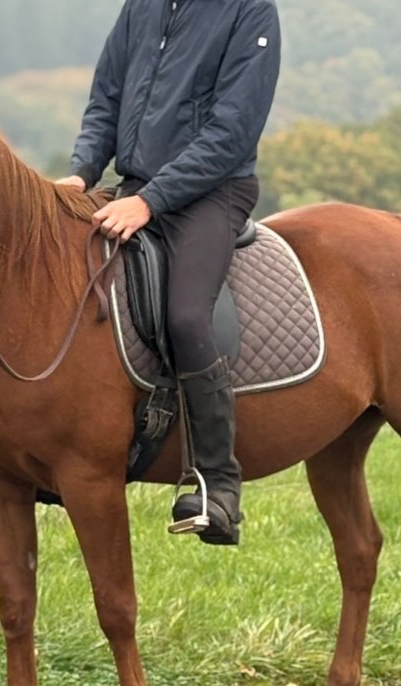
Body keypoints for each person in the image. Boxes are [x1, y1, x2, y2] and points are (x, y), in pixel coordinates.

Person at [58, 0, 281, 546]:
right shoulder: (142, 7)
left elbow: (232, 132)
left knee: (184, 316)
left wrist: (151, 202)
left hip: (213, 193)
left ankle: (218, 486)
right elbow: (106, 99)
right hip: (134, 187)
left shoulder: (251, 11)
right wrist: (83, 172)